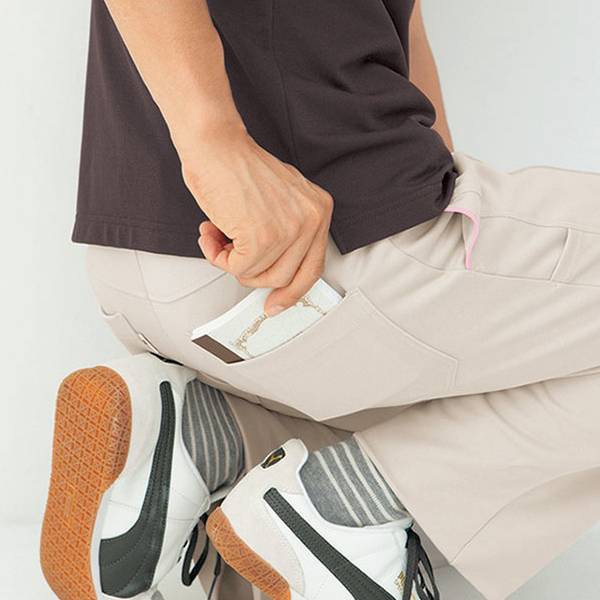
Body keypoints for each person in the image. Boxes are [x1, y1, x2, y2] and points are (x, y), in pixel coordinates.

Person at [40, 0, 600, 599]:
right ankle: (345, 513)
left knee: (469, 424)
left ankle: (209, 438)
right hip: (315, 240)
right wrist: (215, 147)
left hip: (149, 259)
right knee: (453, 459)